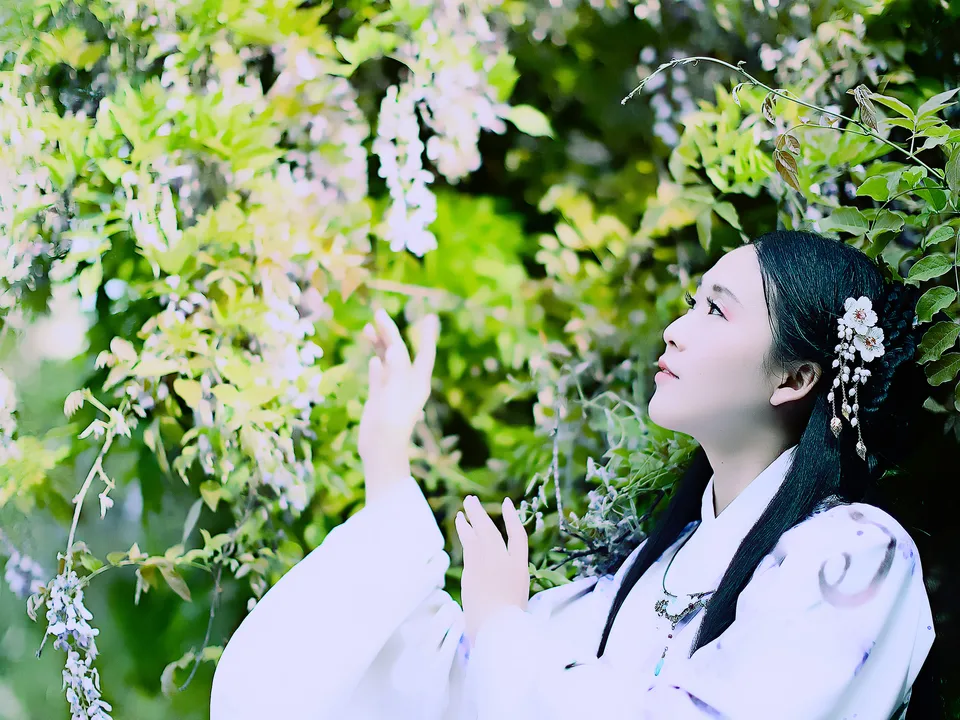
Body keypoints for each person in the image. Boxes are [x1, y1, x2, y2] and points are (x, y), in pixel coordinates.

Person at [209, 231, 935, 719]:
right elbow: (444, 681)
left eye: (716, 310)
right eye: (692, 303)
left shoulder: (857, 555)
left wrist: (501, 624)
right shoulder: (648, 576)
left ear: (795, 377)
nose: (677, 329)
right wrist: (387, 460)